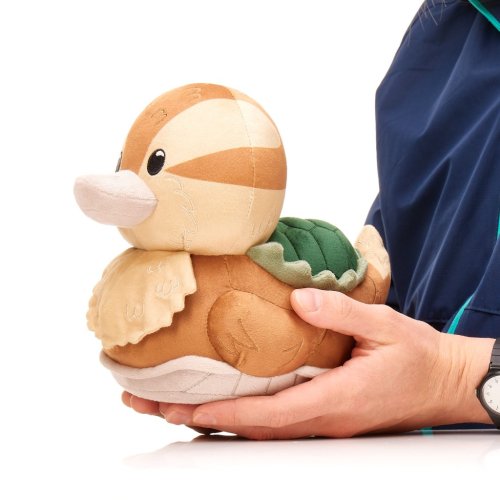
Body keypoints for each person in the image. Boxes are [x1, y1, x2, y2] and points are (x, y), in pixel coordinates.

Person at [123, 0, 500, 438]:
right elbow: (407, 277)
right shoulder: (447, 29)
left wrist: (454, 377)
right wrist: (316, 354)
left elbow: (440, 367)